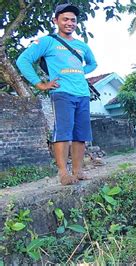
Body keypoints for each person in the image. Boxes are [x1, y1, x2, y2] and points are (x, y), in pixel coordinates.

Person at [16, 4, 97, 185]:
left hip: (82, 93)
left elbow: (93, 64)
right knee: (63, 133)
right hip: (61, 93)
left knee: (80, 134)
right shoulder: (47, 41)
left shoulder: (81, 45)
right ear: (56, 20)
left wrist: (79, 72)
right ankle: (63, 173)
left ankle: (78, 171)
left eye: (73, 20)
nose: (69, 23)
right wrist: (40, 84)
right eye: (65, 19)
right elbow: (23, 60)